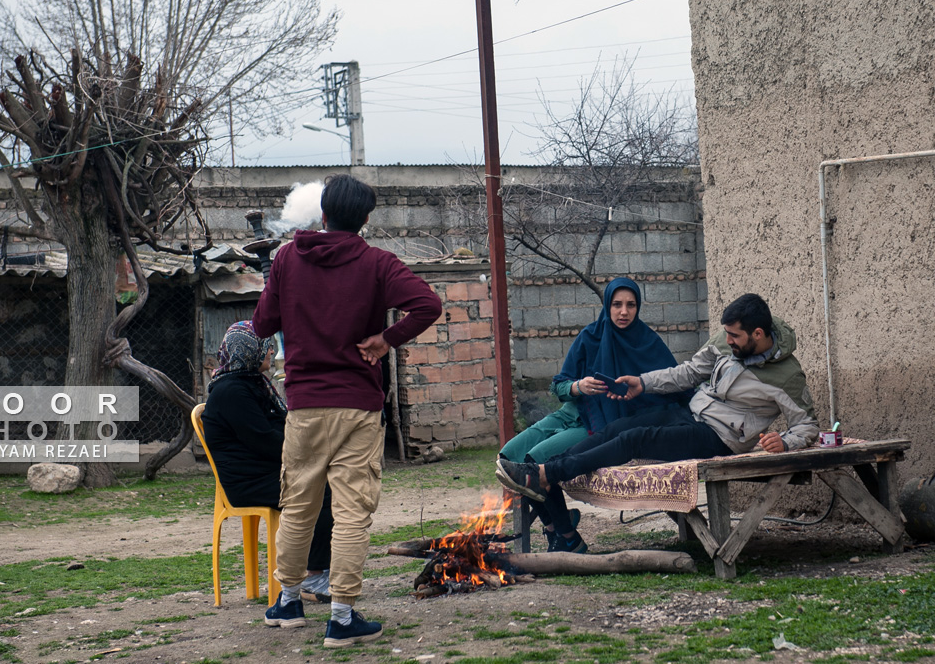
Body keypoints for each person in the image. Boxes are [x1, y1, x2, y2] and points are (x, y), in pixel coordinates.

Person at [253, 174, 442, 648]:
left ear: (322, 212)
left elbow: (261, 325)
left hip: (305, 406)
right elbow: (427, 304)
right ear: (366, 218)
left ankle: (288, 602)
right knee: (352, 512)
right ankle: (341, 616)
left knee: (298, 507)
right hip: (357, 405)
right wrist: (385, 340)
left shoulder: (287, 259)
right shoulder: (377, 262)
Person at [497, 293, 819, 554]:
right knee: (618, 429)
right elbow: (689, 372)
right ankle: (547, 472)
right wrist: (644, 383)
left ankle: (543, 475)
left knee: (635, 440)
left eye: (735, 336)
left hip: (718, 437)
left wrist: (785, 442)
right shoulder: (727, 342)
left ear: (758, 335)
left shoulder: (787, 376)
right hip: (690, 413)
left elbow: (807, 426)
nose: (728, 341)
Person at [497, 277, 690, 550]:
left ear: (638, 307)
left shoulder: (648, 342)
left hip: (598, 426)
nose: (624, 312)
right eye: (617, 305)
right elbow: (559, 385)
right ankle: (556, 526)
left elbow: (673, 383)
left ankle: (568, 539)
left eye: (631, 305)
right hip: (570, 413)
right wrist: (579, 386)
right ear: (607, 305)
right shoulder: (590, 336)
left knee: (532, 461)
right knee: (507, 457)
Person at [200, 321, 333, 601]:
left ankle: (317, 571)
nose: (271, 350)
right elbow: (266, 441)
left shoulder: (253, 384)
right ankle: (313, 576)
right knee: (320, 489)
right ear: (248, 351)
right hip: (248, 481)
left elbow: (282, 427)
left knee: (326, 481)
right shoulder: (232, 392)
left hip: (265, 470)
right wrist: (309, 453)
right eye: (265, 346)